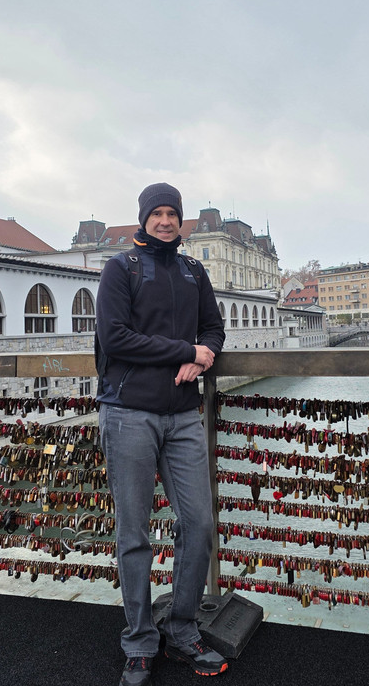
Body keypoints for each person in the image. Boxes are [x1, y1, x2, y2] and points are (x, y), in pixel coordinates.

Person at [95, 182, 228, 686]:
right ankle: (139, 640)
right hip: (129, 412)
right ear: (144, 219)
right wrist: (183, 352)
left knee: (199, 524)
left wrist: (204, 356)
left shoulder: (195, 271)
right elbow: (115, 338)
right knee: (135, 533)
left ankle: (182, 627)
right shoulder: (121, 268)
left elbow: (213, 328)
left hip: (182, 414)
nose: (167, 221)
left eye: (174, 213)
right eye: (158, 213)